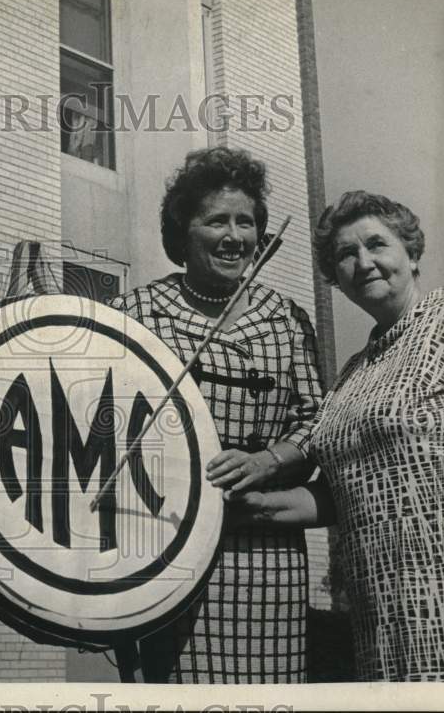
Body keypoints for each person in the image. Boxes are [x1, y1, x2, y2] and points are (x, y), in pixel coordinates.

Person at [226, 190, 444, 682]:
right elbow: (338, 496)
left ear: (410, 252)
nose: (363, 262)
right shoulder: (348, 379)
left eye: (376, 245)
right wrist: (242, 503)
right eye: (346, 254)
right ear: (335, 278)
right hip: (384, 614)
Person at [108, 146, 324, 684]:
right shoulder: (134, 313)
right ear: (183, 232)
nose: (234, 236)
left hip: (266, 554)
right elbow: (100, 423)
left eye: (246, 222)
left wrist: (268, 461)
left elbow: (318, 422)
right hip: (167, 549)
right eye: (216, 221)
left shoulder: (288, 319)